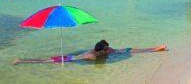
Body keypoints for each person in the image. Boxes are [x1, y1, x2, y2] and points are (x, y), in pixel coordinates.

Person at [14, 40, 167, 64]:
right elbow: (91, 61)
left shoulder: (100, 52)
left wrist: (110, 54)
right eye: (107, 47)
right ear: (103, 49)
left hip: (72, 57)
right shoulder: (92, 55)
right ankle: (23, 60)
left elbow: (110, 53)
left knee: (135, 49)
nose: (109, 48)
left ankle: (156, 48)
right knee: (47, 61)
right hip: (70, 59)